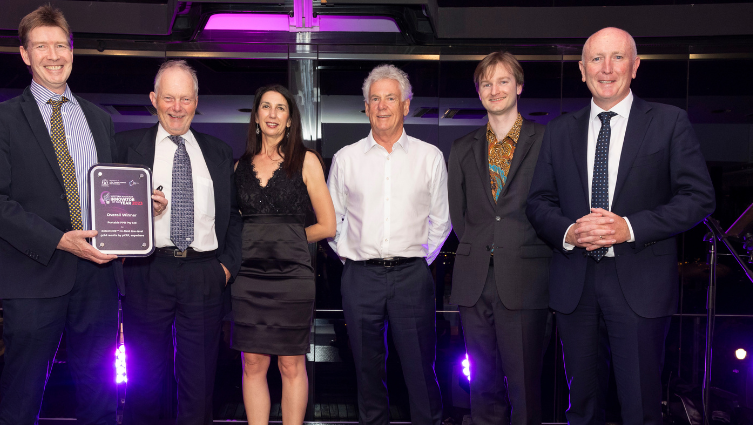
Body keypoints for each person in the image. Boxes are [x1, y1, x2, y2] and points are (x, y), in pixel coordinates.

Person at [526, 27, 715, 425]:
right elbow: (539, 202)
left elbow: (698, 198)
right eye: (596, 59)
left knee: (641, 408)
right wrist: (568, 232)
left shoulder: (669, 122)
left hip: (640, 283)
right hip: (575, 287)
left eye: (617, 58)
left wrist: (628, 227)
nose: (606, 68)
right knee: (582, 409)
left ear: (635, 66)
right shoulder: (559, 131)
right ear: (581, 69)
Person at [0, 5, 122, 424]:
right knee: (22, 399)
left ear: (72, 50)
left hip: (97, 277)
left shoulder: (100, 120)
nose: (53, 55)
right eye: (42, 46)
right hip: (33, 275)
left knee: (99, 396)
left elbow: (107, 190)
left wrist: (141, 205)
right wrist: (59, 238)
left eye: (61, 45)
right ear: (25, 53)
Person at [113, 60, 243, 425]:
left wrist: (226, 268)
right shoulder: (125, 147)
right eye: (169, 98)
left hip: (205, 274)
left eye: (185, 99)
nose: (177, 107)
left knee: (199, 385)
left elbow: (234, 216)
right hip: (147, 271)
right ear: (154, 99)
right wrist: (141, 214)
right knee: (145, 382)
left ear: (196, 101)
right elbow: (106, 208)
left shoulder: (218, 151)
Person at [327, 64, 451, 425]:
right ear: (366, 107)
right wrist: (355, 254)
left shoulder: (429, 157)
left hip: (412, 277)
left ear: (406, 105)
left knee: (419, 371)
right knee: (367, 375)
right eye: (374, 99)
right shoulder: (346, 158)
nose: (382, 106)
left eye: (390, 98)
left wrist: (415, 260)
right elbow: (334, 222)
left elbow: (441, 221)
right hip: (360, 279)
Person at [447, 52, 551, 425]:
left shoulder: (546, 140)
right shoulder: (461, 148)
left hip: (526, 278)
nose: (495, 89)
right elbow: (460, 217)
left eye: (503, 81)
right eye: (486, 83)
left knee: (525, 385)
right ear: (479, 92)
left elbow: (553, 206)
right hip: (474, 281)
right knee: (483, 385)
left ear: (519, 86)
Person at [232, 84, 336, 425]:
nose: (273, 114)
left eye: (280, 108)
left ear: (290, 119)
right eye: (266, 107)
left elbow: (328, 225)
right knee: (252, 364)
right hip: (247, 279)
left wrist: (288, 237)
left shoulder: (306, 161)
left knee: (290, 364)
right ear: (257, 116)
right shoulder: (238, 167)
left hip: (293, 279)